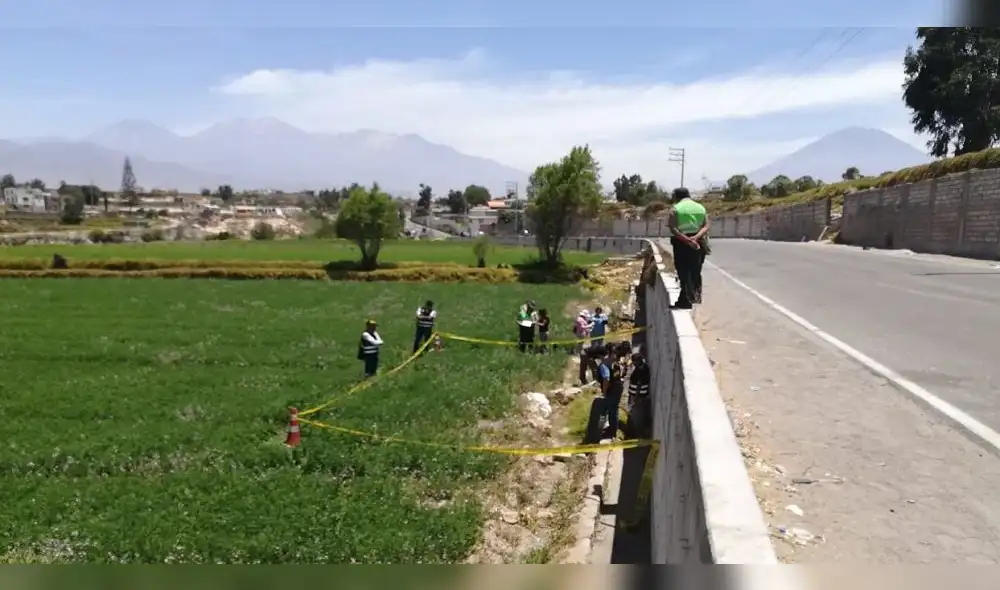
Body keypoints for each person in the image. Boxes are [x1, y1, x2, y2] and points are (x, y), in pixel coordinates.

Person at [667, 187, 710, 309]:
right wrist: (696, 237)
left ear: (676, 196)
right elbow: (706, 225)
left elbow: (673, 228)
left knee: (684, 272)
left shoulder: (675, 209)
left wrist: (687, 240)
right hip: (699, 242)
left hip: (681, 243)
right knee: (694, 271)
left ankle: (685, 301)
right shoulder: (700, 208)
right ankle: (687, 299)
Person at [597, 347, 626, 440]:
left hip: (612, 389)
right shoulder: (614, 360)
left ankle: (612, 432)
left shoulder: (604, 365)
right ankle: (612, 429)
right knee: (614, 409)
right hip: (618, 387)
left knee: (612, 410)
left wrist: (604, 392)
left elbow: (606, 379)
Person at [626, 352, 651, 437]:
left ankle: (639, 434)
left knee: (637, 416)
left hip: (639, 396)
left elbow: (639, 384)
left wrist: (636, 397)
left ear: (638, 361)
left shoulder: (641, 370)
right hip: (638, 396)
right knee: (637, 415)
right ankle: (639, 432)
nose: (633, 363)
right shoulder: (642, 366)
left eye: (634, 361)